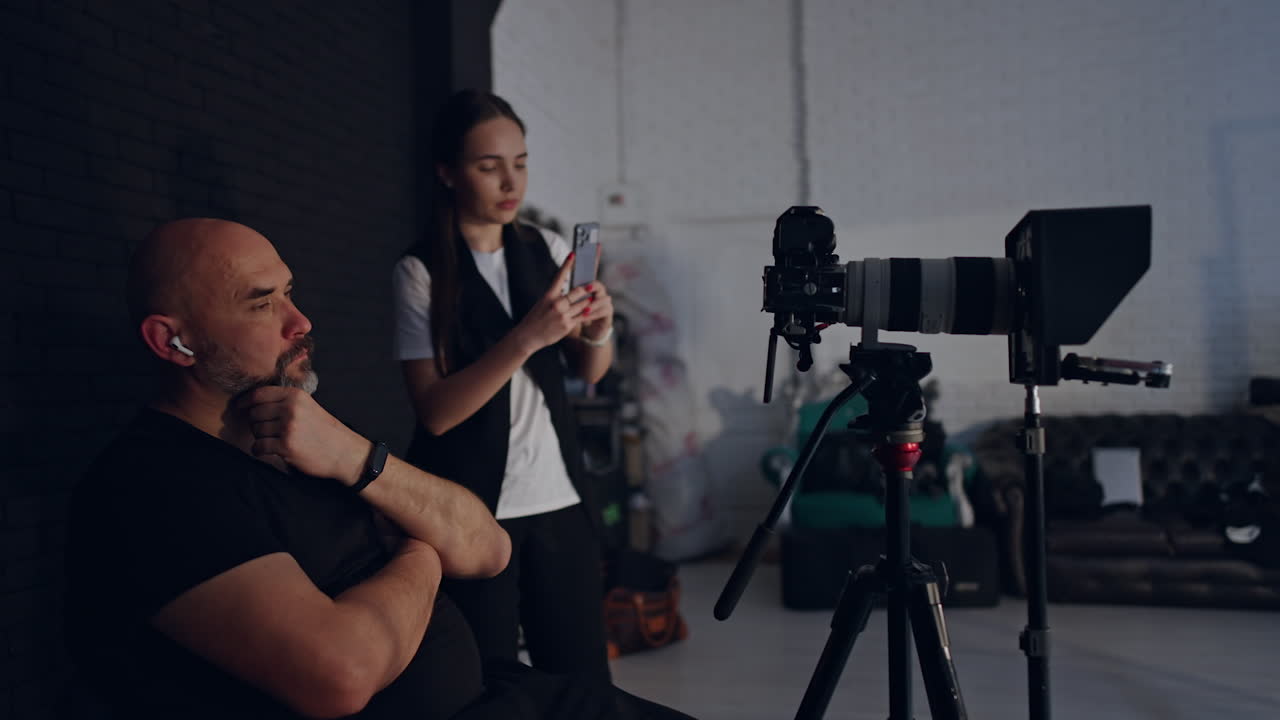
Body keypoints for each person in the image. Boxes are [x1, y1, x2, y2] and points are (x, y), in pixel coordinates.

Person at [65, 218, 693, 720]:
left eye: (290, 292)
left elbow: (486, 546)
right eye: (262, 304)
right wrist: (421, 549)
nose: (300, 321)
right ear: (171, 341)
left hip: (496, 695)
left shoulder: (301, 427)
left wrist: (355, 457)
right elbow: (341, 674)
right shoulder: (154, 486)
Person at [392, 90, 615, 679]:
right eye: (488, 166)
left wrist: (601, 327)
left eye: (519, 162)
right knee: (485, 679)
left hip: (560, 498)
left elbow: (589, 374)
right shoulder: (421, 273)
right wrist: (526, 337)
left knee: (580, 678)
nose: (508, 181)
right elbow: (435, 412)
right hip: (469, 509)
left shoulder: (548, 250)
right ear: (447, 173)